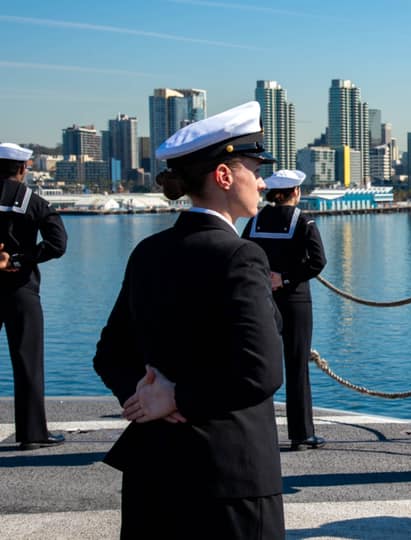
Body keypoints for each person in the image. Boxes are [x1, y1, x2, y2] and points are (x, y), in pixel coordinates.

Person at [93, 101, 286, 539]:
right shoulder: (240, 255)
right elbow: (261, 372)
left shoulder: (149, 252)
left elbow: (109, 354)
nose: (261, 181)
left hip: (153, 472)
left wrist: (145, 400)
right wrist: (176, 397)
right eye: (254, 168)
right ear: (223, 176)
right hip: (229, 477)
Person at [242, 169, 327, 451]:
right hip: (295, 300)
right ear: (296, 192)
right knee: (297, 365)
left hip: (262, 299)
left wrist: (266, 278)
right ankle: (301, 434)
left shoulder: (254, 221)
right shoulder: (303, 222)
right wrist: (286, 278)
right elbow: (318, 262)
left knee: (258, 364)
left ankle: (255, 431)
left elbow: (242, 254)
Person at [0, 142, 67, 451]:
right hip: (21, 289)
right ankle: (32, 434)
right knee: (28, 361)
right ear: (23, 168)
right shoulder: (35, 202)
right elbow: (57, 244)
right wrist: (21, 259)